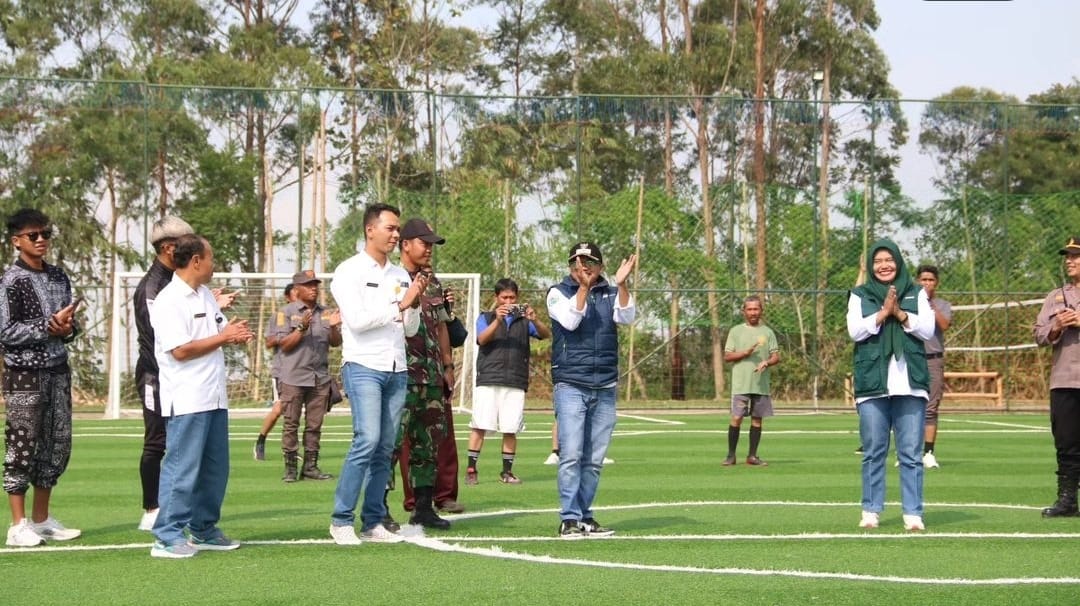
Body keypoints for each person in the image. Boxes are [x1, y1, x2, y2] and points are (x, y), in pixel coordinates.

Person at [149, 234, 254, 558]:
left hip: (214, 397)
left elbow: (217, 332)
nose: (213, 264)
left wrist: (231, 335)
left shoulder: (206, 295)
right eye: (210, 258)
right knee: (182, 468)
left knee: (214, 469)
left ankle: (204, 529)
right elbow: (180, 350)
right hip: (187, 398)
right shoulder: (169, 301)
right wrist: (223, 337)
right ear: (196, 260)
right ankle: (166, 536)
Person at [328, 203, 424, 545]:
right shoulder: (348, 271)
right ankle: (341, 519)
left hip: (397, 367)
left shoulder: (401, 275)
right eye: (391, 228)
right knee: (366, 439)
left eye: (398, 229)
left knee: (385, 447)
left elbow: (409, 328)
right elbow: (356, 321)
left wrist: (412, 303)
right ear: (370, 230)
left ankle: (372, 522)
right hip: (363, 365)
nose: (396, 234)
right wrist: (400, 305)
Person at [1, 208, 82, 547]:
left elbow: (69, 329)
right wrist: (48, 325)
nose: (41, 240)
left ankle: (42, 519)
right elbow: (5, 331)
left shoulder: (59, 277)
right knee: (22, 446)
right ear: (16, 241)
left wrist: (66, 329)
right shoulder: (10, 281)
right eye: (33, 235)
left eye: (46, 233)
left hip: (58, 370)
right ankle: (17, 525)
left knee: (56, 447)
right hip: (23, 375)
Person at [547, 242, 637, 538]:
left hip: (605, 385)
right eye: (577, 262)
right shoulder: (557, 293)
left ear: (600, 266)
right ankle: (569, 518)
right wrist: (583, 290)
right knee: (571, 454)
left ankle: (585, 516)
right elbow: (571, 322)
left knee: (594, 460)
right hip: (571, 383)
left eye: (589, 262)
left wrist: (622, 285)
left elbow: (626, 316)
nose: (582, 267)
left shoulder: (611, 293)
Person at [847, 239, 934, 532]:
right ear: (871, 266)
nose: (884, 266)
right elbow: (855, 331)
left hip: (910, 385)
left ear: (898, 261)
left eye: (889, 260)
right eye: (877, 261)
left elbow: (927, 329)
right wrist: (883, 313)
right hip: (873, 383)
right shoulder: (860, 295)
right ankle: (871, 510)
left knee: (910, 452)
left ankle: (913, 513)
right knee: (874, 450)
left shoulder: (916, 292)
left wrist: (899, 313)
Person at [133, 216, 196, 532]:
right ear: (170, 248)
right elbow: (162, 338)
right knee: (156, 441)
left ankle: (177, 504)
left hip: (178, 375)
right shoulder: (153, 287)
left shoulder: (178, 283)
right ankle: (151, 508)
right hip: (155, 377)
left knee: (181, 441)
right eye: (188, 243)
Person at [395, 218, 456, 529]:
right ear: (405, 244)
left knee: (427, 445)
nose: (429, 249)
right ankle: (377, 509)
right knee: (391, 444)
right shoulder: (390, 279)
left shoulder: (433, 283)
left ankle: (423, 507)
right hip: (399, 374)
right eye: (424, 243)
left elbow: (442, 325)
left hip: (430, 375)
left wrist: (447, 365)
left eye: (432, 244)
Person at [466, 279, 551, 485]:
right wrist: (497, 319)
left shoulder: (524, 320)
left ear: (517, 298)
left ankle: (507, 472)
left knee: (510, 428)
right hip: (489, 378)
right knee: (480, 425)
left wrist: (535, 319)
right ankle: (471, 469)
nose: (508, 301)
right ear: (497, 298)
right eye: (504, 297)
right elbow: (481, 339)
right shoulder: (485, 317)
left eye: (512, 297)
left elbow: (546, 334)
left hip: (515, 379)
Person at [265, 270, 342, 482]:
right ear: (296, 289)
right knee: (291, 423)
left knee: (315, 425)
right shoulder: (284, 313)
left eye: (315, 284)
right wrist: (302, 328)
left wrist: (335, 327)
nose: (314, 288)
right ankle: (290, 468)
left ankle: (310, 466)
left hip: (319, 377)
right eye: (308, 285)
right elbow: (285, 345)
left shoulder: (325, 313)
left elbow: (335, 342)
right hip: (293, 376)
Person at [1033, 236, 1080, 518]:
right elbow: (1039, 335)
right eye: (1068, 256)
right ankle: (1067, 500)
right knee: (1066, 443)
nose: (1070, 261)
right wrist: (1056, 326)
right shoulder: (1055, 296)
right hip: (1064, 381)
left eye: (1076, 256)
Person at [721, 295, 780, 467]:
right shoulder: (735, 331)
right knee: (737, 418)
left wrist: (767, 362)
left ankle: (752, 456)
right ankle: (731, 456)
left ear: (761, 310)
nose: (753, 312)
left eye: (756, 309)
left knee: (757, 419)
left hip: (760, 385)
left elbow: (776, 356)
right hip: (741, 384)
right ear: (743, 311)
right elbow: (727, 355)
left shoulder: (768, 332)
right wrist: (744, 353)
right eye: (750, 309)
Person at [254, 283, 296, 461]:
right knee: (280, 408)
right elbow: (269, 341)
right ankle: (261, 440)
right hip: (282, 370)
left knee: (296, 411)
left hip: (302, 371)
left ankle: (292, 450)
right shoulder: (280, 316)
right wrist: (290, 336)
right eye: (295, 293)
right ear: (287, 297)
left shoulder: (311, 314)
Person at [916, 264, 951, 469]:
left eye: (930, 280)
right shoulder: (910, 303)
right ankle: (908, 451)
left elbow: (944, 325)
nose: (927, 283)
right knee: (909, 406)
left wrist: (930, 305)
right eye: (923, 280)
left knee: (931, 408)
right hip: (913, 360)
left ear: (936, 283)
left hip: (933, 359)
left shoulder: (942, 304)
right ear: (917, 281)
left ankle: (928, 452)